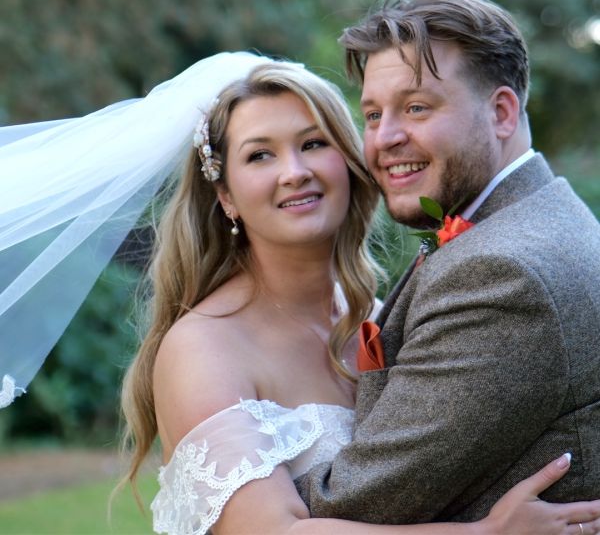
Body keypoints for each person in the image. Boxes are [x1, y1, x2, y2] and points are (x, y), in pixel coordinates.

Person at [115, 58, 600, 535]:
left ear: (348, 162)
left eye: (312, 144)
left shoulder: (378, 316)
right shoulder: (205, 348)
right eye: (260, 155)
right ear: (226, 196)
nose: (294, 171)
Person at [294, 0, 600, 526]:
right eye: (371, 114)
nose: (384, 138)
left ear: (502, 112)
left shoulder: (503, 275)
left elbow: (358, 501)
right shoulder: (536, 216)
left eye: (416, 107)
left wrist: (234, 465)